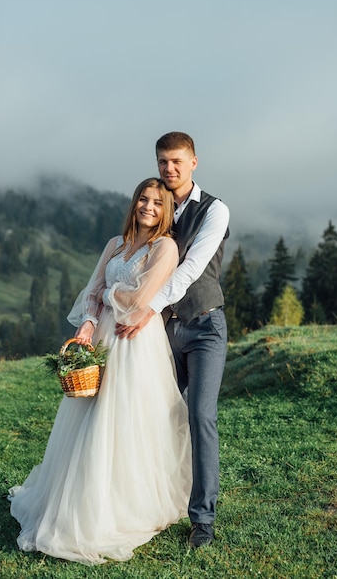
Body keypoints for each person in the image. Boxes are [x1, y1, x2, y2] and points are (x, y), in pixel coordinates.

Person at [8, 178, 192, 566]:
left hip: (136, 340)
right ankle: (78, 497)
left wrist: (111, 296)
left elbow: (140, 299)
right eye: (143, 199)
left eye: (157, 203)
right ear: (134, 203)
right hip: (105, 335)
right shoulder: (115, 244)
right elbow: (93, 289)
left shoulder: (166, 248)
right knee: (89, 415)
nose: (148, 207)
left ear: (166, 211)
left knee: (124, 417)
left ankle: (123, 504)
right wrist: (89, 323)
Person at [116, 132, 230, 549]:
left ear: (194, 162)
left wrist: (147, 308)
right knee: (157, 417)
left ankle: (202, 520)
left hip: (203, 326)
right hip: (162, 332)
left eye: (178, 161)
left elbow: (190, 269)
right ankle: (152, 501)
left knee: (200, 416)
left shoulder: (215, 210)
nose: (170, 169)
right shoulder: (157, 204)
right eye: (163, 161)